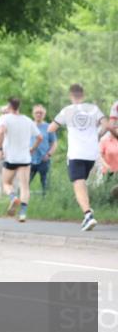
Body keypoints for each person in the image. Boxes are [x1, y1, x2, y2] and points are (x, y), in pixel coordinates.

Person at [47, 84, 108, 231]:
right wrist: (96, 134)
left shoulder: (67, 110)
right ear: (83, 95)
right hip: (92, 154)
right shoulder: (93, 109)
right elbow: (106, 125)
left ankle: (88, 215)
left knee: (78, 183)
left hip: (76, 153)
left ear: (71, 95)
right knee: (83, 182)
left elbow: (51, 128)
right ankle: (88, 210)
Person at [0, 97, 42, 223]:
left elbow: (1, 132)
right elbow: (40, 137)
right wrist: (32, 149)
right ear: (19, 106)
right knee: (25, 186)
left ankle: (12, 197)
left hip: (11, 157)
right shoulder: (27, 120)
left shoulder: (4, 118)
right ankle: (22, 213)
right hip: (25, 158)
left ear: (9, 106)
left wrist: (0, 148)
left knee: (6, 183)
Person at [29, 104, 58, 198]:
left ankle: (45, 199)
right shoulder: (28, 126)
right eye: (36, 112)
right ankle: (23, 200)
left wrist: (49, 154)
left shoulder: (49, 127)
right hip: (29, 159)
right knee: (26, 181)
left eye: (41, 113)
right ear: (33, 114)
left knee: (44, 182)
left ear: (44, 114)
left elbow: (54, 143)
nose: (38, 114)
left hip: (43, 159)